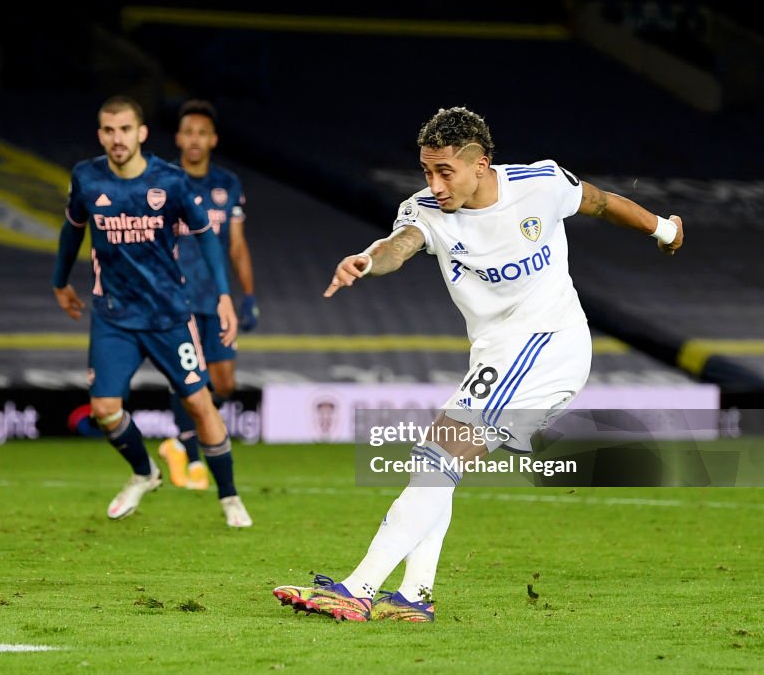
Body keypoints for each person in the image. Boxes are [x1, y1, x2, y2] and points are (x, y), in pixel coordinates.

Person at [273, 106, 683, 621]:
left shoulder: (541, 183)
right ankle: (414, 596)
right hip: (498, 354)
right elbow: (399, 245)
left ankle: (358, 589)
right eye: (427, 171)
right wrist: (368, 260)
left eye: (446, 172)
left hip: (550, 348)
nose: (436, 184)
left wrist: (664, 230)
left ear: (481, 165)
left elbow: (599, 202)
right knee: (434, 464)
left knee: (439, 457)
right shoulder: (424, 210)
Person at [52, 95, 252, 527]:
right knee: (105, 407)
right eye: (108, 130)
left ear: (141, 133)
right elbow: (72, 232)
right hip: (114, 316)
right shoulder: (86, 178)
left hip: (167, 315)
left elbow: (207, 238)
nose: (116, 138)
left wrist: (222, 296)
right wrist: (60, 281)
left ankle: (230, 497)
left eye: (125, 129)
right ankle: (144, 472)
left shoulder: (171, 182)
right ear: (100, 134)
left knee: (201, 403)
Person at [158, 99, 258, 491]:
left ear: (212, 139)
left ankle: (182, 442)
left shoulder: (227, 184)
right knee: (188, 377)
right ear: (179, 138)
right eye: (189, 132)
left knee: (224, 383)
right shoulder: (163, 182)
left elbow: (236, 244)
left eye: (202, 132)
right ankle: (190, 457)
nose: (195, 139)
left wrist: (248, 295)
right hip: (175, 297)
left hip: (217, 299)